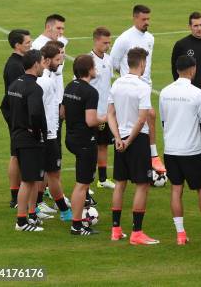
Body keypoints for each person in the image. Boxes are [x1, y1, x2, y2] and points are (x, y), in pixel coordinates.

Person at [159, 56, 201, 246]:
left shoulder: (165, 92)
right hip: (192, 150)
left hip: (171, 150)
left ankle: (181, 234)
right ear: (193, 70)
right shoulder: (198, 94)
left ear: (177, 70)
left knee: (176, 189)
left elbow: (163, 121)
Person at [108, 48, 159, 245]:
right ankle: (137, 232)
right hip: (136, 140)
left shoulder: (117, 84)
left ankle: (116, 229)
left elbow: (110, 114)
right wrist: (129, 141)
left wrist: (118, 138)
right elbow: (142, 118)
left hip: (119, 137)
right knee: (142, 184)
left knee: (120, 184)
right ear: (142, 64)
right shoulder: (142, 86)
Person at [110, 5, 165, 174]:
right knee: (147, 117)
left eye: (148, 19)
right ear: (134, 18)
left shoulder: (150, 38)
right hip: (129, 87)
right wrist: (128, 76)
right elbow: (113, 62)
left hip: (145, 86)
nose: (147, 22)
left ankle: (144, 156)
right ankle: (152, 156)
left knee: (145, 120)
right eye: (143, 19)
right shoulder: (124, 39)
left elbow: (147, 65)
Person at [62, 55, 106, 235]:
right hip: (85, 142)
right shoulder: (90, 92)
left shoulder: (70, 86)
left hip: (71, 139)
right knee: (82, 184)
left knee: (83, 183)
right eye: (94, 66)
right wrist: (105, 119)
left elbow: (62, 113)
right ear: (88, 70)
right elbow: (90, 121)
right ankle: (77, 225)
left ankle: (79, 219)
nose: (95, 69)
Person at [6, 50, 47, 231]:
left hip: (17, 136)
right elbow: (36, 113)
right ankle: (21, 221)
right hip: (29, 139)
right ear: (36, 64)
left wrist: (16, 124)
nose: (44, 66)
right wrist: (37, 132)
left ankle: (30, 216)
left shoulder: (15, 84)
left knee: (29, 179)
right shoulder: (34, 88)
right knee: (29, 181)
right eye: (42, 62)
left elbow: (4, 107)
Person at [170, 11, 201, 159]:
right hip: (187, 93)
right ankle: (187, 156)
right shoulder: (181, 45)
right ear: (189, 27)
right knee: (188, 125)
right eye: (195, 25)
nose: (199, 28)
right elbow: (175, 68)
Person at [36, 42, 71, 222]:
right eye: (58, 59)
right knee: (52, 173)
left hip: (51, 131)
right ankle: (65, 212)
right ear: (47, 60)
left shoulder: (50, 76)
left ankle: (38, 204)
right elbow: (38, 108)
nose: (61, 62)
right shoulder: (44, 81)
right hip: (47, 133)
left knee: (45, 171)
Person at [1, 29, 32, 209]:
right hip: (16, 116)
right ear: (17, 45)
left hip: (16, 114)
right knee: (16, 154)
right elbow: (17, 94)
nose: (30, 44)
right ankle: (15, 196)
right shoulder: (14, 66)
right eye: (27, 42)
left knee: (18, 154)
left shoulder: (20, 62)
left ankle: (21, 192)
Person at [89, 27, 116, 189]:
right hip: (92, 112)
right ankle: (88, 181)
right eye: (105, 43)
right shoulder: (88, 60)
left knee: (104, 144)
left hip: (106, 113)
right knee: (91, 147)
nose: (107, 45)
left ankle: (103, 179)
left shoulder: (108, 59)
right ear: (96, 40)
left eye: (109, 43)